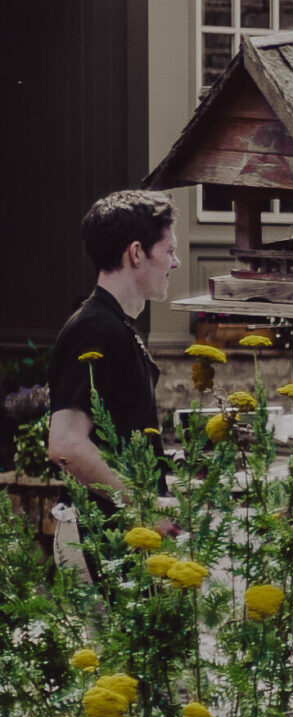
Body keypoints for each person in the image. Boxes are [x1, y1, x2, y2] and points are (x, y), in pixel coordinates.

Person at [49, 188, 177, 497]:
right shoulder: (96, 329)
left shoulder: (114, 325)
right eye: (169, 251)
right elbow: (66, 444)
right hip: (105, 540)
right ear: (136, 253)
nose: (176, 263)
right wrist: (144, 507)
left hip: (125, 536)